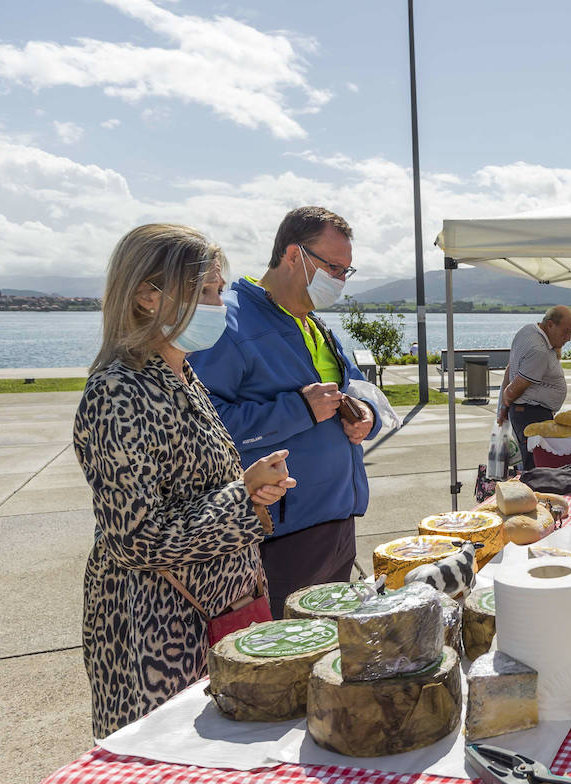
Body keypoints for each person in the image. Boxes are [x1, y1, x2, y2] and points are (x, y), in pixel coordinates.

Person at [74, 224, 296, 739]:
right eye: (203, 293)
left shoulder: (182, 376)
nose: (219, 306)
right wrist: (242, 497)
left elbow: (197, 495)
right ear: (148, 296)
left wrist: (252, 492)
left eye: (219, 292)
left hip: (215, 612)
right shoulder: (117, 393)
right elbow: (136, 539)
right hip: (158, 632)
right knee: (165, 773)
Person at [188, 206, 381, 617]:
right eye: (333, 268)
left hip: (338, 524)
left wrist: (366, 413)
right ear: (293, 255)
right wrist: (298, 410)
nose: (340, 280)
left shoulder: (315, 325)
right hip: (280, 536)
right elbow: (203, 428)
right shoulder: (230, 321)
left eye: (347, 271)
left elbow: (356, 389)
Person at [497, 306, 571, 471]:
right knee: (536, 470)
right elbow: (515, 389)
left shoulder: (528, 330)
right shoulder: (539, 350)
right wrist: (506, 400)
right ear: (550, 325)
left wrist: (505, 407)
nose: (568, 338)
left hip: (527, 411)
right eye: (566, 332)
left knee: (536, 466)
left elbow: (511, 366)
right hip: (530, 414)